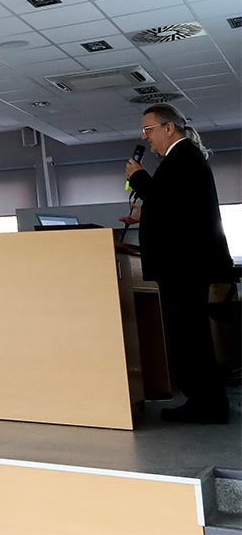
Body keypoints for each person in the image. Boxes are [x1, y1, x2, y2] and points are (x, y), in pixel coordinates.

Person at [122, 104, 232, 424]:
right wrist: (145, 214)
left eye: (149, 130)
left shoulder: (182, 157)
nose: (146, 137)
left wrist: (139, 178)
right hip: (187, 265)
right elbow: (178, 207)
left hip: (185, 267)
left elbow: (168, 202)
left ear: (169, 128)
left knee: (191, 338)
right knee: (190, 337)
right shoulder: (184, 158)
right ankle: (204, 402)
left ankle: (208, 406)